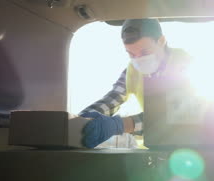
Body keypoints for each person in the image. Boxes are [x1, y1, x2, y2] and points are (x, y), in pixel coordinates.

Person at [79, 18, 190, 148]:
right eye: (131, 54)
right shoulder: (132, 70)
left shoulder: (186, 63)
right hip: (155, 147)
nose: (138, 59)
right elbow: (113, 98)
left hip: (190, 147)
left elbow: (176, 115)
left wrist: (120, 125)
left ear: (161, 41)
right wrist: (81, 120)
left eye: (145, 52)